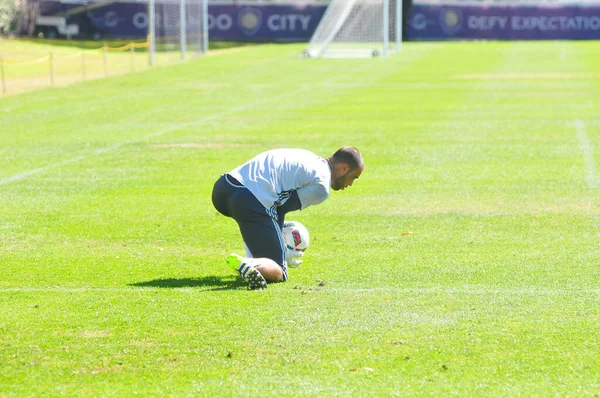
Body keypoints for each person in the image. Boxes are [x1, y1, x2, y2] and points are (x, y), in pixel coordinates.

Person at [211, 147, 364, 290]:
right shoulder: (322, 186)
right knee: (279, 271)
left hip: (223, 188)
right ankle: (251, 263)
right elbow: (280, 207)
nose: (350, 183)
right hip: (248, 199)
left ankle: (253, 262)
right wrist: (281, 250)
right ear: (343, 168)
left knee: (253, 220)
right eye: (354, 177)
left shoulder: (307, 155)